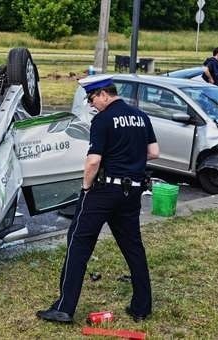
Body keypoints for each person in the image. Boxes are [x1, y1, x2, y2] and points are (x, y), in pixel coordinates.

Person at [36, 74, 159, 324]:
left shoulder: (103, 120)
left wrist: (85, 188)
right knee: (133, 247)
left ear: (104, 94)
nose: (91, 104)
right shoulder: (141, 116)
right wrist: (130, 162)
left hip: (103, 191)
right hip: (131, 192)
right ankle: (141, 307)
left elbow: (93, 161)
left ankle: (64, 307)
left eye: (92, 98)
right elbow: (153, 153)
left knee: (78, 244)